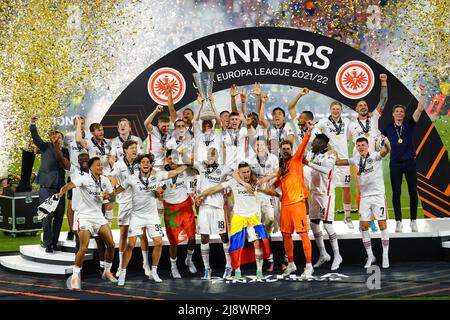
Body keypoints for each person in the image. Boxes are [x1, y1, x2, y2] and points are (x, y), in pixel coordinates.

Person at [114, 154, 186, 285]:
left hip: (152, 216)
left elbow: (175, 172)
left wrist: (186, 165)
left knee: (158, 242)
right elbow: (119, 189)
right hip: (136, 216)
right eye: (143, 162)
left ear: (151, 164)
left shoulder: (158, 175)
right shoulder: (131, 178)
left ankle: (154, 271)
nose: (146, 164)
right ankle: (123, 272)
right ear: (139, 165)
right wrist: (110, 195)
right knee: (130, 244)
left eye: (148, 162)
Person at [196, 162, 271, 280]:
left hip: (252, 217)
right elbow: (215, 188)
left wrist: (276, 179)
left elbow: (267, 181)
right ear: (238, 173)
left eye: (248, 172)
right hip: (238, 216)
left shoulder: (254, 182)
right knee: (236, 245)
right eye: (244, 172)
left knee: (257, 243)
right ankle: (237, 271)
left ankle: (259, 271)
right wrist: (200, 195)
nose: (246, 174)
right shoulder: (232, 182)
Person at [56, 157, 117, 290]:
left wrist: (109, 198)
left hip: (98, 216)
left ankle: (107, 271)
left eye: (101, 165)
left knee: (111, 245)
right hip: (83, 216)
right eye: (98, 165)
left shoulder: (105, 180)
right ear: (91, 168)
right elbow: (70, 185)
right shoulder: (84, 178)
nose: (101, 167)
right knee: (83, 248)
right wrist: (62, 192)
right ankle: (75, 277)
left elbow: (113, 197)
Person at [335, 137, 391, 268]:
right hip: (365, 198)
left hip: (378, 196)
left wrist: (386, 142)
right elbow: (338, 162)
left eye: (363, 145)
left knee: (382, 225)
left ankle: (385, 255)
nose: (360, 147)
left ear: (367, 146)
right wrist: (333, 152)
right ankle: (371, 256)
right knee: (364, 226)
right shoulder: (355, 159)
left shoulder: (376, 156)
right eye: (358, 145)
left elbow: (386, 150)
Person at [381, 85, 427, 233]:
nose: (400, 113)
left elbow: (419, 109)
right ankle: (398, 222)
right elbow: (379, 142)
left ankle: (413, 221)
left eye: (402, 111)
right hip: (395, 164)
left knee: (413, 191)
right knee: (396, 192)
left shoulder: (409, 124)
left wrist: (422, 93)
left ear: (404, 114)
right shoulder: (387, 128)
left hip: (410, 162)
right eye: (397, 111)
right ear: (393, 114)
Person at [348, 74, 388, 233]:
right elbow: (346, 141)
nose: (363, 107)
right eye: (360, 106)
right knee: (361, 190)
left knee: (377, 189)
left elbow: (383, 100)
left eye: (365, 105)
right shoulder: (351, 125)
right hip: (359, 160)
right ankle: (365, 219)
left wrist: (383, 82)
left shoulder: (374, 118)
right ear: (356, 109)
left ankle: (379, 218)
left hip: (375, 159)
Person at [275, 120, 315, 279]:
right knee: (286, 234)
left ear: (291, 150)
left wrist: (309, 132)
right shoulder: (282, 167)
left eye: (288, 148)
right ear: (280, 151)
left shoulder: (296, 159)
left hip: (298, 202)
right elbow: (278, 181)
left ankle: (309, 266)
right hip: (285, 204)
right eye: (283, 149)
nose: (286, 150)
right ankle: (291, 264)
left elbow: (303, 145)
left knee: (303, 234)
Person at [109, 140, 150, 277]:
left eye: (136, 148)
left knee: (142, 234)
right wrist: (115, 186)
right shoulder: (119, 164)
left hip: (140, 201)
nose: (134, 150)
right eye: (132, 148)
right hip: (125, 201)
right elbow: (111, 175)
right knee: (123, 234)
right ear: (125, 150)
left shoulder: (141, 162)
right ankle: (121, 265)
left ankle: (146, 264)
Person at [30, 116, 69, 253]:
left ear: (62, 139)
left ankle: (54, 242)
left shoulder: (65, 151)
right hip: (46, 188)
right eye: (55, 137)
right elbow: (36, 138)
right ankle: (47, 243)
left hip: (60, 188)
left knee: (58, 217)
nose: (57, 139)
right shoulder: (45, 146)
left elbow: (66, 165)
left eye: (59, 137)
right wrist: (33, 124)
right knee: (47, 217)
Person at [303, 134, 343, 270]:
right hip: (314, 194)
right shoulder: (311, 154)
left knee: (327, 225)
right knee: (313, 224)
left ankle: (337, 255)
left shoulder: (330, 155)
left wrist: (308, 163)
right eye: (314, 141)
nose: (313, 143)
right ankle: (323, 253)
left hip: (326, 195)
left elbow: (326, 170)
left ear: (324, 145)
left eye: (317, 142)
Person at [194, 147, 234, 280]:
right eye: (209, 153)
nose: (211, 155)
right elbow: (188, 161)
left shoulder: (224, 168)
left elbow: (235, 175)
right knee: (204, 238)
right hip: (204, 208)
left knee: (224, 236)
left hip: (218, 208)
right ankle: (207, 268)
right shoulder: (201, 166)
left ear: (217, 156)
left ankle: (229, 266)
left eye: (214, 153)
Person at [316, 101, 353, 229]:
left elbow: (349, 136)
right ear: (330, 110)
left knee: (346, 187)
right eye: (333, 109)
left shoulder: (347, 121)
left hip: (343, 160)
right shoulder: (323, 122)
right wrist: (327, 146)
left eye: (338, 109)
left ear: (341, 110)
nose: (336, 111)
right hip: (329, 160)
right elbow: (316, 131)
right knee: (326, 189)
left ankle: (347, 217)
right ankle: (324, 215)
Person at [158, 150, 194, 278]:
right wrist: (159, 192)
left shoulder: (185, 169)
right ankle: (173, 266)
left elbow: (194, 162)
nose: (172, 160)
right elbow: (158, 191)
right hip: (171, 208)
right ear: (167, 160)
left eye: (175, 158)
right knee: (173, 241)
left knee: (192, 237)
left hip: (185, 206)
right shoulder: (162, 174)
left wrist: (185, 156)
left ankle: (189, 259)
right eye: (170, 158)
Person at [248, 136, 279, 272]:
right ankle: (266, 259)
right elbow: (249, 177)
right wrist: (257, 181)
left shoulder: (273, 158)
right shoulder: (250, 160)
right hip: (256, 195)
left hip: (268, 194)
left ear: (266, 146)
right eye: (257, 145)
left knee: (270, 220)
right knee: (256, 228)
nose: (259, 147)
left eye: (261, 145)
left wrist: (266, 181)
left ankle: (267, 250)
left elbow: (277, 174)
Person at [64, 116, 90, 241]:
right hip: (74, 173)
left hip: (87, 173)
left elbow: (80, 140)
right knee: (71, 202)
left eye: (82, 123)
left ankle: (86, 228)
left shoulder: (89, 137)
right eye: (78, 123)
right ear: (74, 125)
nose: (81, 125)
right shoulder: (68, 136)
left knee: (88, 201)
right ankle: (71, 230)